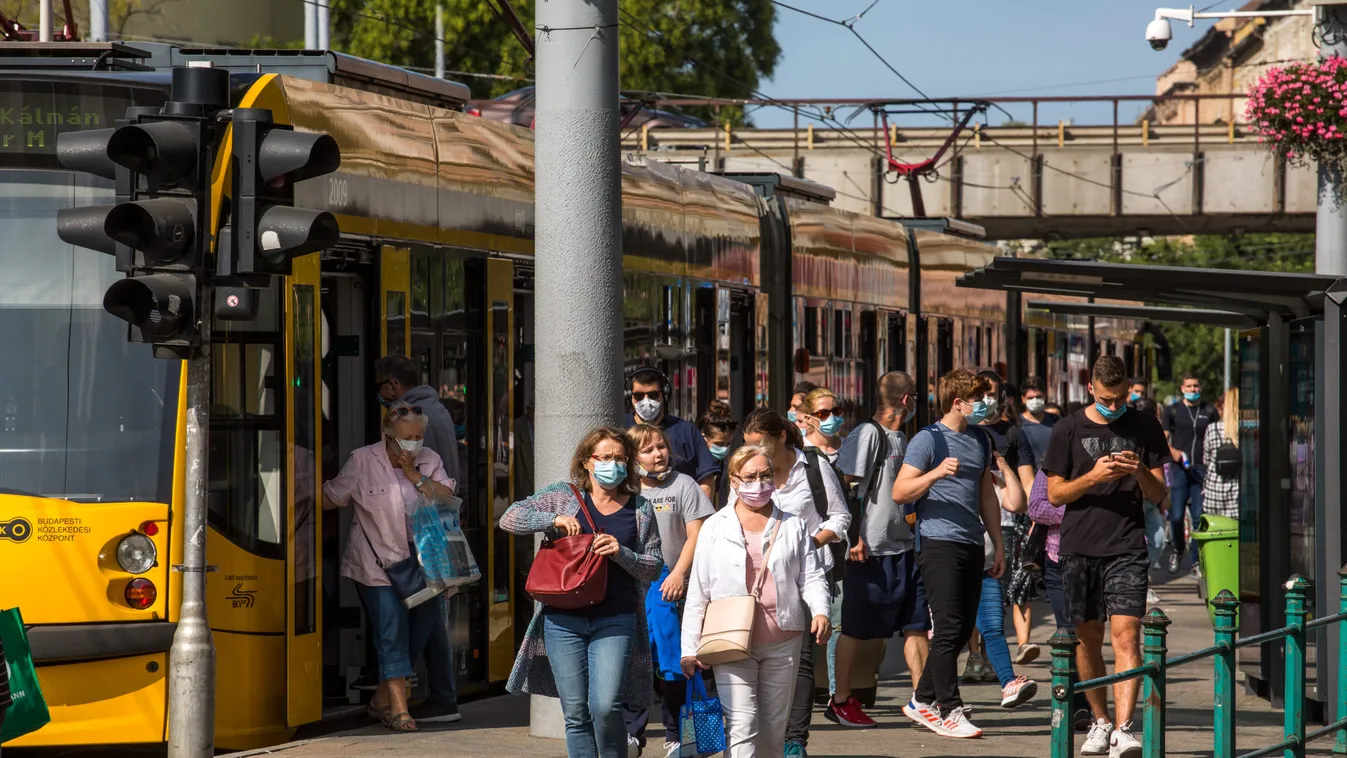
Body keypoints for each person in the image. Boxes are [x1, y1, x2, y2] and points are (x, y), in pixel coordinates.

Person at [501, 427, 663, 758]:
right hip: (562, 620)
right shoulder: (564, 496)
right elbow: (509, 518)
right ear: (587, 462)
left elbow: (654, 565)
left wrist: (622, 553)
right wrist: (553, 518)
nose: (613, 465)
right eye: (604, 458)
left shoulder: (640, 508)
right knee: (575, 714)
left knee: (605, 707)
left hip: (615, 619)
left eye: (620, 458)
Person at [1042, 355, 1168, 758]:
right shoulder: (1067, 428)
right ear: (1090, 388)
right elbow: (1055, 494)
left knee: (1127, 636)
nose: (1114, 407)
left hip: (1128, 546)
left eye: (1120, 399)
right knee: (1087, 640)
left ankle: (1125, 728)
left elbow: (1159, 493)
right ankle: (1100, 722)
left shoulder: (1144, 426)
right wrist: (1094, 476)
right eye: (1107, 399)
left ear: (1128, 388)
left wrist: (1138, 472)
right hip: (1079, 547)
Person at [680, 444, 831, 758]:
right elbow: (698, 591)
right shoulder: (714, 527)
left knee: (774, 730)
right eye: (750, 476)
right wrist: (689, 648)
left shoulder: (793, 524)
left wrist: (820, 611)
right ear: (734, 480)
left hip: (783, 638)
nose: (759, 483)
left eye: (766, 475)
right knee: (742, 725)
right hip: (730, 641)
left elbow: (812, 576)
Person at [322, 402, 459, 732]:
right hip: (376, 563)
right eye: (406, 437)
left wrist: (414, 474)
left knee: (421, 628)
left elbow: (447, 498)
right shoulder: (362, 460)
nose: (413, 443)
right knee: (391, 631)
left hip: (426, 561)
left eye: (419, 436)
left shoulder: (429, 460)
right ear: (387, 435)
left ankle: (382, 696)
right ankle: (398, 709)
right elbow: (331, 497)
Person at [893, 369, 1005, 739]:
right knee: (948, 627)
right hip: (937, 541)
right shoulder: (928, 440)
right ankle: (949, 709)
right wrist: (936, 473)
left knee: (959, 631)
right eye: (978, 398)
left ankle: (920, 700)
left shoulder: (980, 439)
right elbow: (901, 490)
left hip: (972, 541)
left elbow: (986, 493)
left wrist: (997, 543)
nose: (985, 404)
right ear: (958, 403)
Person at [740, 407, 849, 757]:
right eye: (749, 445)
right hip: (756, 579)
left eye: (761, 443)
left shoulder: (812, 468)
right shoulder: (751, 471)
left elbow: (841, 516)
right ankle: (760, 733)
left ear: (781, 436)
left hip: (807, 574)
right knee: (756, 653)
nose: (755, 451)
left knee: (801, 659)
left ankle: (794, 740)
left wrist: (810, 542)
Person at [828, 372, 929, 728]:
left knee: (917, 625)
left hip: (903, 548)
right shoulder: (867, 434)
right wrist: (854, 537)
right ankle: (840, 700)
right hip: (869, 551)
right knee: (855, 628)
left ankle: (922, 700)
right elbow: (846, 488)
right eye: (914, 397)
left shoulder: (900, 437)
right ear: (906, 400)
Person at [624, 424, 715, 757]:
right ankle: (632, 733)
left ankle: (678, 735)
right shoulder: (626, 489)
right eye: (648, 450)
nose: (658, 454)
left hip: (674, 587)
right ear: (633, 457)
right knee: (636, 661)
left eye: (661, 446)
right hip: (636, 584)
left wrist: (677, 574)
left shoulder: (685, 484)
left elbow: (697, 534)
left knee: (675, 660)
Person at [1026, 469, 1095, 731]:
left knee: (1088, 634)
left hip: (1096, 561)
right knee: (1067, 633)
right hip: (1057, 559)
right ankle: (1077, 705)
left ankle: (1087, 702)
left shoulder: (1104, 464)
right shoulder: (1052, 466)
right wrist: (1075, 515)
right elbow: (1035, 509)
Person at [626, 367, 721, 501]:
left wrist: (699, 516)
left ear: (664, 394)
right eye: (639, 396)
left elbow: (707, 478)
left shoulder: (686, 430)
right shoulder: (619, 430)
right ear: (631, 397)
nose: (646, 401)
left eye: (653, 395)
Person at [375, 355, 461, 485]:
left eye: (379, 386)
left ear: (393, 386)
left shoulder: (412, 416)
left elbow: (418, 470)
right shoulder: (437, 408)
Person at [1162, 373, 1217, 571]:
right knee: (1176, 515)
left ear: (1199, 388)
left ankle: (1195, 559)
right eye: (1189, 386)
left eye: (1196, 386)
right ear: (1182, 388)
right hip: (1179, 469)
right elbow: (1162, 439)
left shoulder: (1209, 410)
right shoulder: (1173, 410)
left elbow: (1216, 436)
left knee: (1197, 517)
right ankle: (1178, 549)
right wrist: (1174, 452)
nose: (1193, 389)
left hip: (1201, 470)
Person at [1133, 397, 1169, 604]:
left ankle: (1142, 577)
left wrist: (1163, 497)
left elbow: (1163, 471)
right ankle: (1140, 583)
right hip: (1134, 502)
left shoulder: (1156, 437)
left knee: (1157, 539)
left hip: (1152, 500)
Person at [1201, 387, 1241, 520]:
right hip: (1237, 490)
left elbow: (1206, 459)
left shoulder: (1213, 429)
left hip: (1214, 488)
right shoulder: (1246, 429)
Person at [698, 400, 738, 509]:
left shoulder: (723, 462)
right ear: (704, 438)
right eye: (719, 444)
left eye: (728, 443)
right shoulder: (696, 463)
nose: (724, 448)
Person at [795, 387, 844, 462]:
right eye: (823, 413)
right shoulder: (800, 449)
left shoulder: (847, 446)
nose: (832, 416)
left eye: (836, 411)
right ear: (809, 419)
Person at [1019, 376, 1057, 466]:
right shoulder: (1016, 425)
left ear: (1045, 396)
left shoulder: (1056, 421)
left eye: (1038, 397)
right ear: (1023, 399)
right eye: (1030, 398)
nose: (1035, 401)